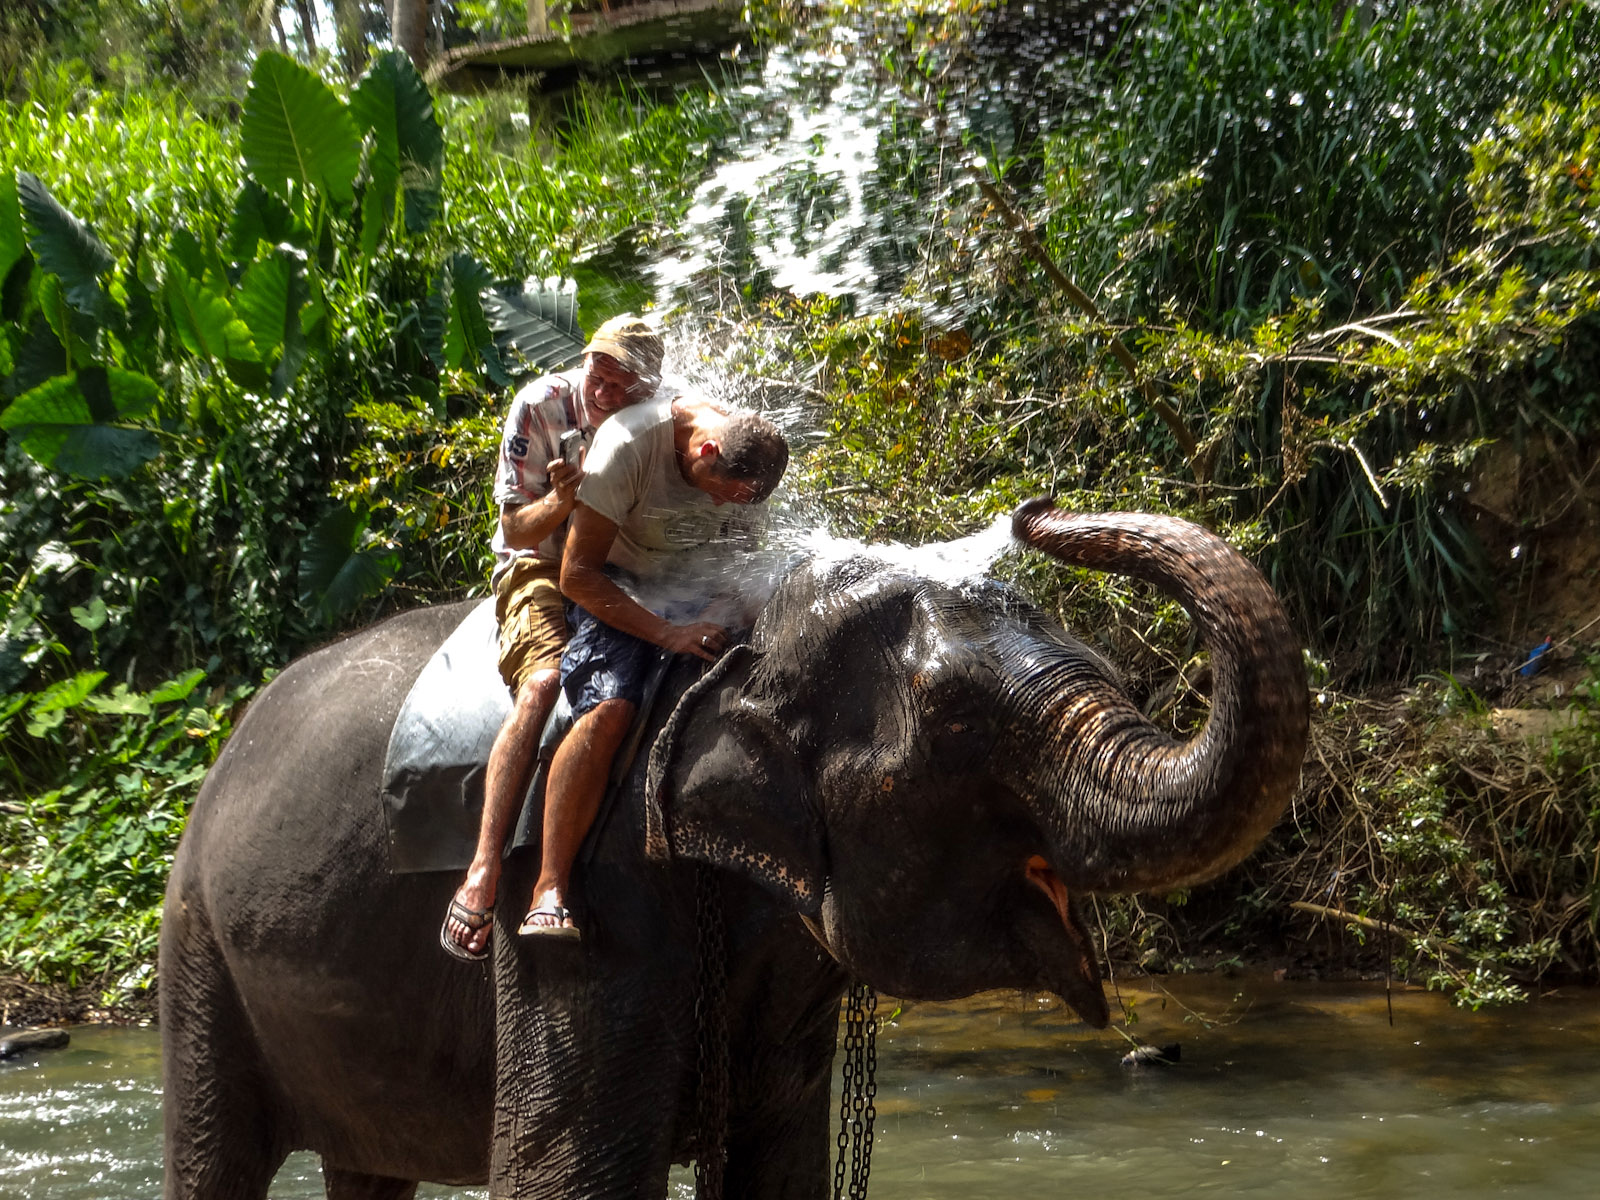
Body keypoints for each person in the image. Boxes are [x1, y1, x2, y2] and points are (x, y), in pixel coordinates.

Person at [518, 391, 790, 938]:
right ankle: (549, 886)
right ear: (705, 448)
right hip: (615, 586)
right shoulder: (627, 448)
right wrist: (668, 633)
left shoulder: (745, 458)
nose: (718, 507)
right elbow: (577, 576)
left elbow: (743, 551)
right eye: (717, 494)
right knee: (611, 709)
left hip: (695, 585)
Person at [440, 314, 665, 962]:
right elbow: (515, 528)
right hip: (540, 564)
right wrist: (567, 500)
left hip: (617, 568)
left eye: (623, 382)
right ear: (585, 361)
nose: (606, 389)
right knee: (542, 684)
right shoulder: (541, 407)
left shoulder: (652, 419)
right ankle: (483, 870)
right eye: (601, 371)